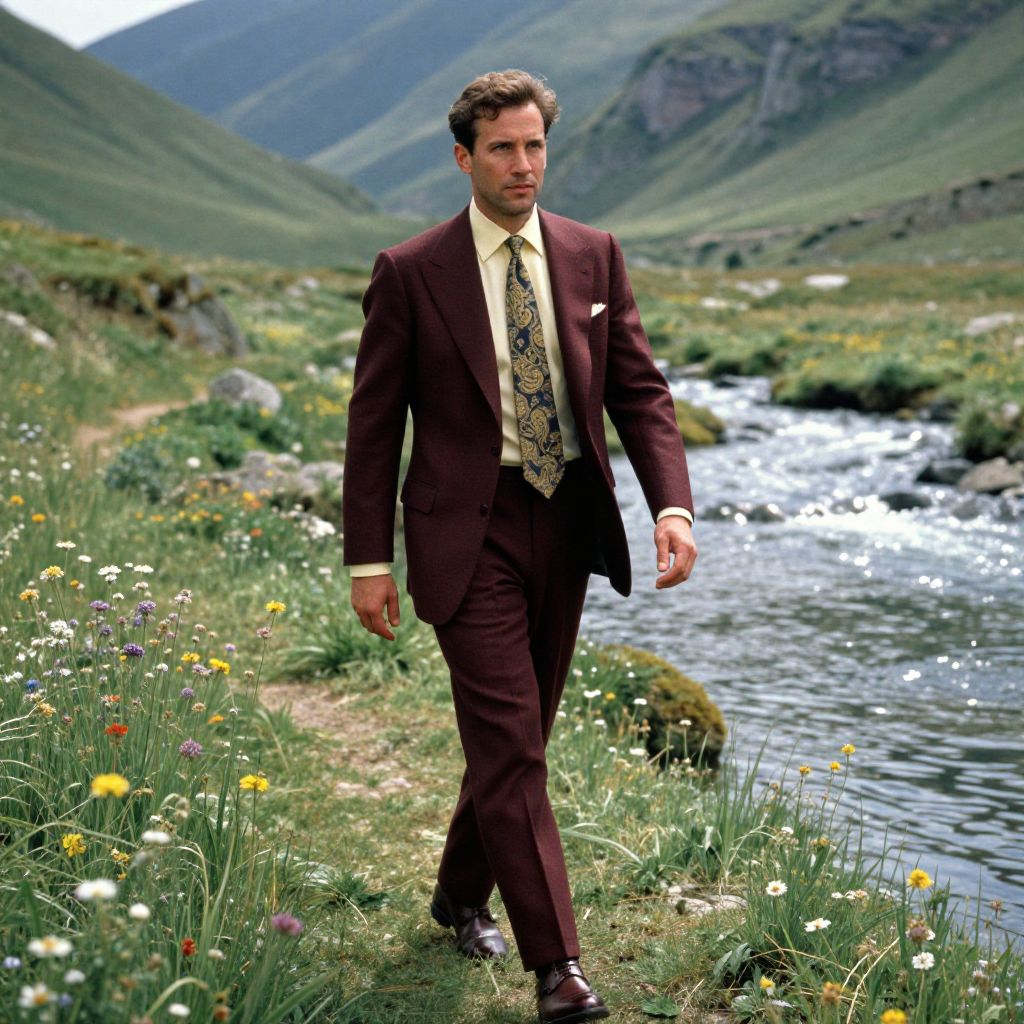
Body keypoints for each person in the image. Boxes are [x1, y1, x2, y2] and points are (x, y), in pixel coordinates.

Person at [342, 69, 696, 1024]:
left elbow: (640, 391)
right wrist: (367, 561)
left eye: (535, 145)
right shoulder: (412, 271)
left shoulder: (593, 254)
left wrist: (673, 506)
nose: (524, 164)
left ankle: (459, 896)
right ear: (465, 158)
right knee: (512, 746)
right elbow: (374, 429)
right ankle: (558, 969)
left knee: (516, 741)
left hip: (569, 523)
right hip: (468, 535)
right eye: (503, 148)